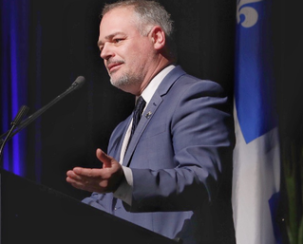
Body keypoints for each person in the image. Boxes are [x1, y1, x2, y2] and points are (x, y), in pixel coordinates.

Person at [66, 0, 235, 243]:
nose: (104, 53)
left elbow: (200, 180)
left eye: (116, 40)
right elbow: (109, 205)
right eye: (102, 45)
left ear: (156, 37)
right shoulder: (122, 129)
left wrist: (125, 181)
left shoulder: (194, 95)